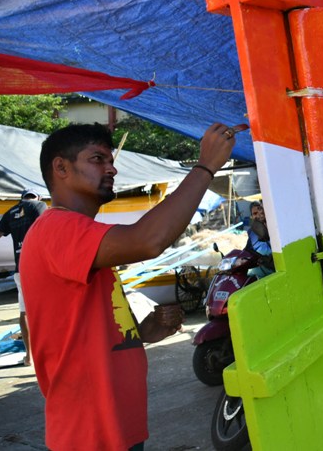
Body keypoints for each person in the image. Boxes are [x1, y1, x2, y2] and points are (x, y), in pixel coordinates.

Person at [21, 122, 235, 451]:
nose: (112, 168)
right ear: (61, 167)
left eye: (110, 159)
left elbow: (82, 329)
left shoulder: (80, 233)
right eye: (97, 159)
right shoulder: (56, 227)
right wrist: (205, 166)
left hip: (116, 427)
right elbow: (147, 241)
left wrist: (140, 332)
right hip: (87, 434)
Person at [0, 188, 47, 366]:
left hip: (21, 268)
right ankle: (52, 351)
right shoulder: (39, 206)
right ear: (37, 197)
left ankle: (29, 356)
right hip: (40, 266)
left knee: (24, 311)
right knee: (49, 309)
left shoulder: (11, 211)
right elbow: (48, 228)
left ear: (21, 199)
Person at [245, 200, 275, 276]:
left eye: (260, 210)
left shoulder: (273, 224)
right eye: (255, 213)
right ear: (251, 217)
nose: (258, 215)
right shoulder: (252, 233)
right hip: (266, 269)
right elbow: (248, 249)